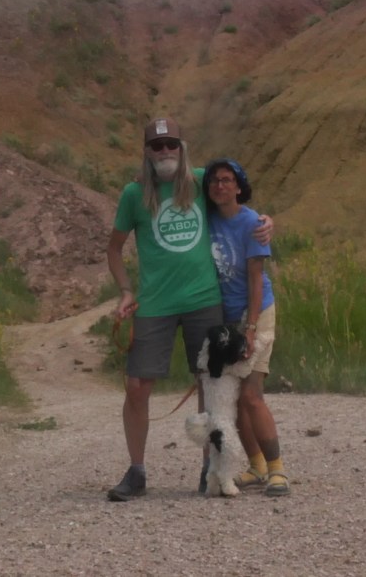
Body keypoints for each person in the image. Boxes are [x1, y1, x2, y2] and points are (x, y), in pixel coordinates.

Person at [105, 118, 271, 501]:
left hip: (203, 300)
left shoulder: (200, 181)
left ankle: (209, 468)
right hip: (155, 303)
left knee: (209, 384)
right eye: (157, 146)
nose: (164, 152)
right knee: (136, 385)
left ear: (182, 147)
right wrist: (126, 290)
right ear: (146, 152)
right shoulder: (134, 194)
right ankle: (137, 471)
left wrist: (265, 222)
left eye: (171, 145)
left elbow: (235, 204)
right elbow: (114, 248)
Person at [203, 158, 290, 497]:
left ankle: (278, 470)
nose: (220, 186)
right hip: (225, 318)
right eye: (214, 181)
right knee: (236, 399)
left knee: (252, 396)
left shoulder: (252, 223)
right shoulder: (207, 220)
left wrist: (251, 328)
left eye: (227, 180)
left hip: (256, 312)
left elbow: (256, 278)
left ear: (239, 186)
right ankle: (255, 467)